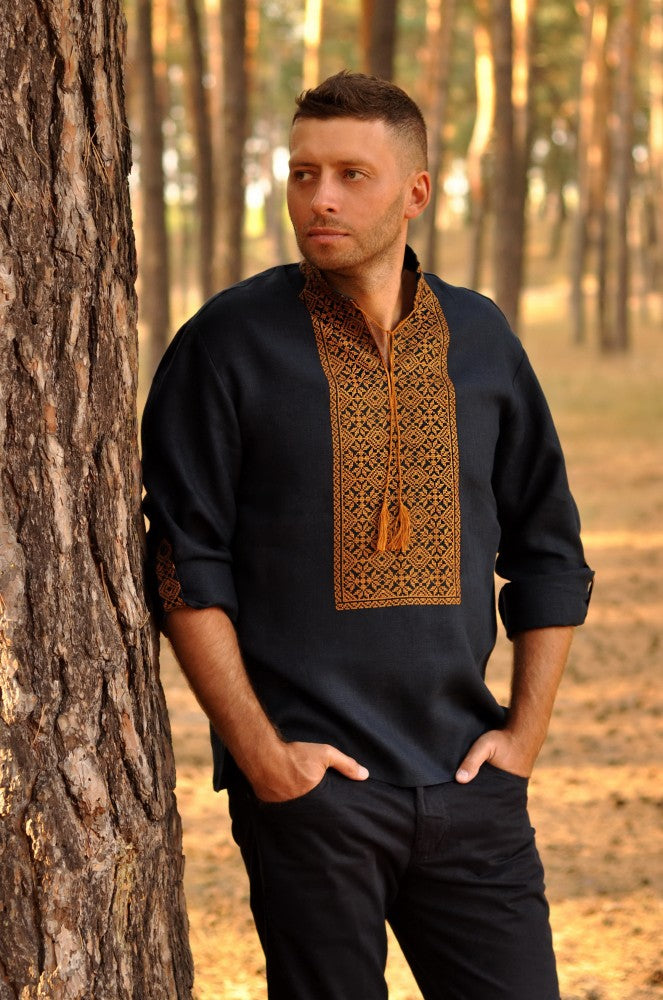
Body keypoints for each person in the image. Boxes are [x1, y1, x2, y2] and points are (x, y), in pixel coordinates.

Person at [141, 71, 594, 1000]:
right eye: (303, 173)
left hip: (470, 789)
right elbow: (184, 564)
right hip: (315, 798)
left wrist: (520, 740)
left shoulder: (480, 339)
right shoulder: (227, 342)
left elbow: (548, 552)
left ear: (414, 192)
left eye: (352, 174)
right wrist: (265, 761)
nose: (321, 198)